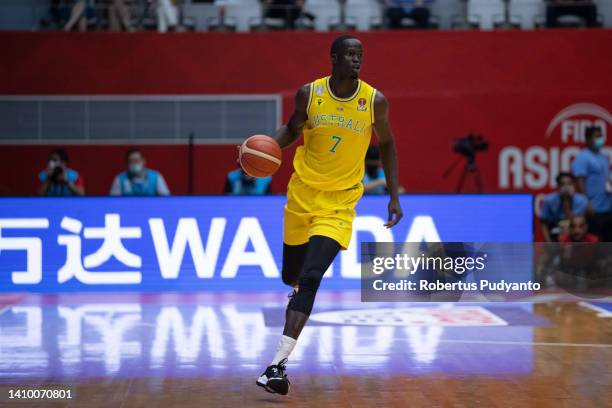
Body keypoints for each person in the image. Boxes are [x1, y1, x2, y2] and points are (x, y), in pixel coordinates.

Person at [251, 35, 403, 395]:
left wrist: (394, 195)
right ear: (334, 58)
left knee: (312, 275)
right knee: (292, 275)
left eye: (360, 55)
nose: (357, 60)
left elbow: (388, 144)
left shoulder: (373, 100)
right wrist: (258, 150)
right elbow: (291, 130)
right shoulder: (310, 94)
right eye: (350, 54)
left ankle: (277, 366)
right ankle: (296, 293)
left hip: (339, 204)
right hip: (302, 197)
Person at [571, 126, 611, 241]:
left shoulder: (602, 157)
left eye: (601, 136)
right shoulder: (583, 157)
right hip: (594, 209)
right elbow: (579, 181)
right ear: (588, 139)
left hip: (607, 208)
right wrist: (586, 203)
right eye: (597, 136)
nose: (600, 139)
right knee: (597, 244)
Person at [539, 172, 590, 242]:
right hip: (555, 229)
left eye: (569, 184)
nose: (566, 187)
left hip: (574, 231)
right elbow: (543, 223)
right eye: (563, 184)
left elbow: (576, 222)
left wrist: (567, 202)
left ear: (574, 185)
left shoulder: (582, 201)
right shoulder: (548, 201)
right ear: (558, 187)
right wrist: (548, 241)